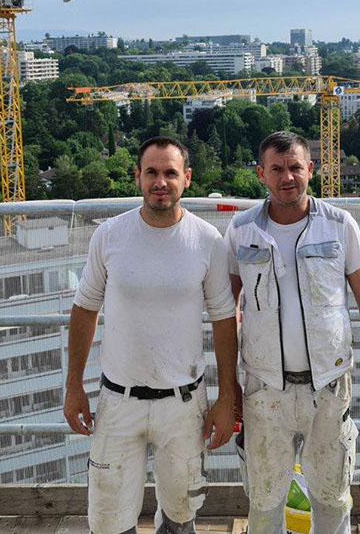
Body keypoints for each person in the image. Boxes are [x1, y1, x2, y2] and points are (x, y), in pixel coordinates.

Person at [64, 136, 237, 534]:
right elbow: (85, 310)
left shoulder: (208, 241)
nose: (161, 182)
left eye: (170, 173)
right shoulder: (110, 235)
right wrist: (74, 386)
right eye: (152, 173)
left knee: (180, 518)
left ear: (187, 178)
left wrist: (226, 398)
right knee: (108, 523)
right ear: (137, 177)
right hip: (117, 401)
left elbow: (225, 320)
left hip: (184, 405)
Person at [224, 131, 360, 534]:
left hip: (330, 388)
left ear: (310, 169)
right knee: (264, 501)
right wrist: (229, 387)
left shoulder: (339, 225)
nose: (288, 177)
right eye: (277, 169)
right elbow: (225, 313)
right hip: (264, 391)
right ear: (261, 173)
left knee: (332, 499)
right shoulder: (241, 230)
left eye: (295, 167)